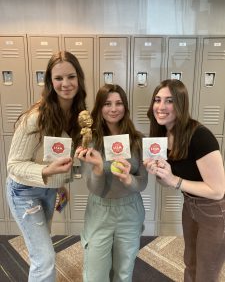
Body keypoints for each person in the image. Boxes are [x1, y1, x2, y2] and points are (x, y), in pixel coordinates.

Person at [6, 51, 87, 282]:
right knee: (44, 257)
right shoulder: (36, 117)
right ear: (50, 82)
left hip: (50, 188)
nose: (65, 84)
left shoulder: (78, 114)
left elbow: (64, 158)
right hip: (23, 191)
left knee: (42, 248)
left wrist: (61, 182)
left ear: (79, 78)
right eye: (58, 78)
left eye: (71, 77)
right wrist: (47, 171)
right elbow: (13, 165)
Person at [143, 79, 225, 282]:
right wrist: (159, 173)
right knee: (190, 260)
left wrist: (175, 180)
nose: (161, 107)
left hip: (215, 209)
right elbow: (167, 182)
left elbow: (218, 190)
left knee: (207, 270)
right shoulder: (163, 135)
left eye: (169, 101)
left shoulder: (200, 136)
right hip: (190, 204)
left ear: (181, 104)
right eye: (157, 100)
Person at [75, 84, 148, 282]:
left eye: (119, 103)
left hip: (130, 210)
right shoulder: (89, 141)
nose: (113, 109)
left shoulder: (137, 140)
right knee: (95, 275)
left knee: (123, 273)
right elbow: (94, 188)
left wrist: (129, 179)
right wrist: (98, 168)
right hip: (100, 211)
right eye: (107, 104)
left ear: (125, 107)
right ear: (99, 108)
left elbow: (142, 183)